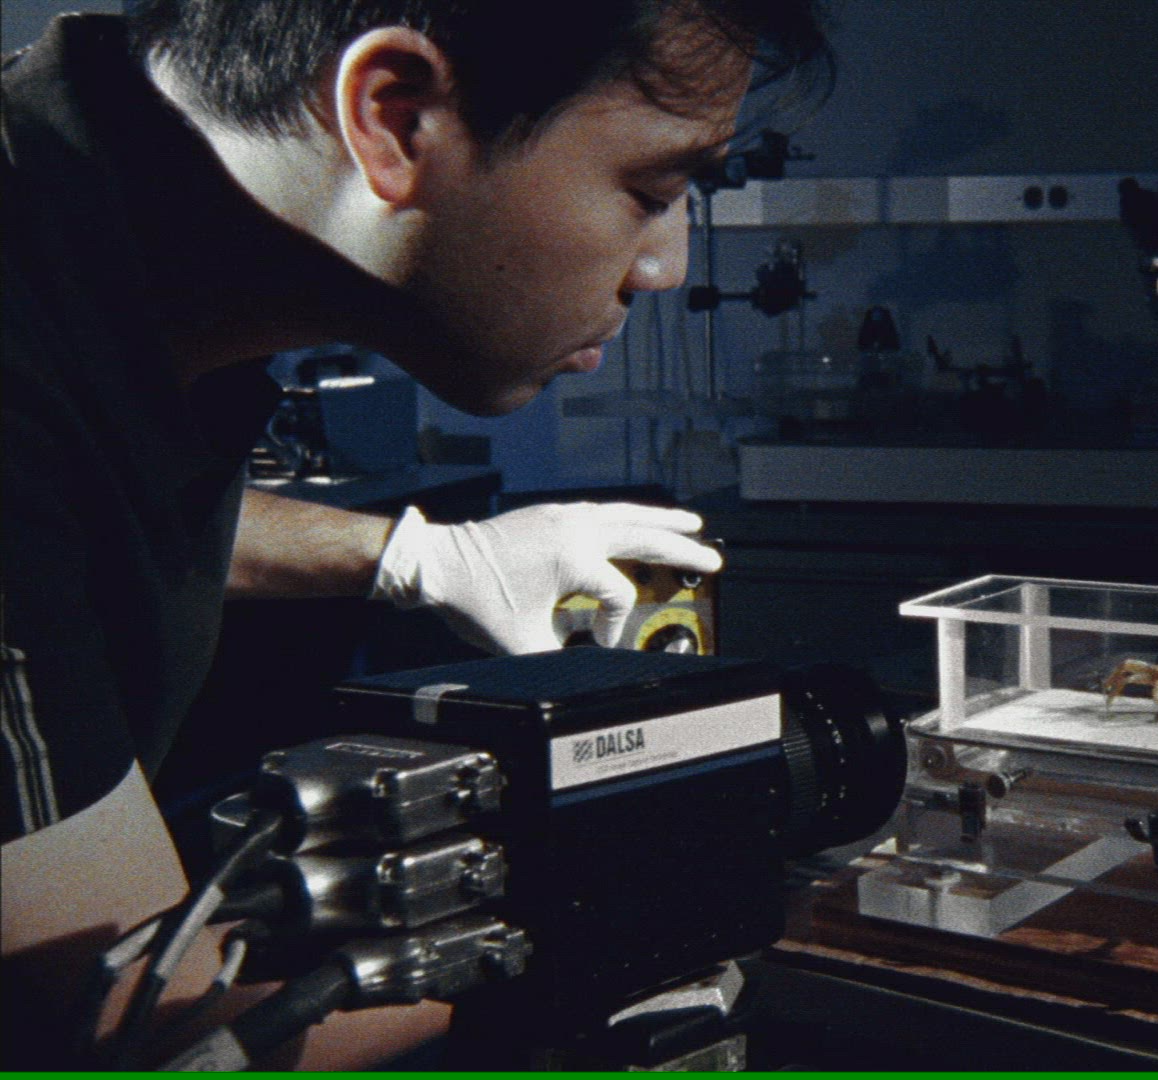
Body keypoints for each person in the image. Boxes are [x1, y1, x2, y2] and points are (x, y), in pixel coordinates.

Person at [1, 0, 825, 1066]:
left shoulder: (102, 220)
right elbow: (134, 1039)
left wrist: (418, 557)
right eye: (654, 192)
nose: (663, 265)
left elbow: (73, 528)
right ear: (394, 119)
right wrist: (653, 934)